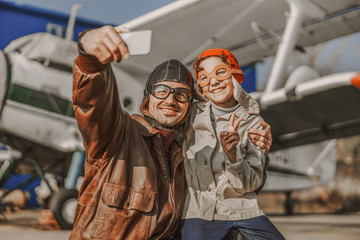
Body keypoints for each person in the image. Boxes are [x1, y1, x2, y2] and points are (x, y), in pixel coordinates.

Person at [69, 25, 272, 240]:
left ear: (189, 106)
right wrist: (89, 58)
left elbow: (235, 196)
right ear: (148, 99)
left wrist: (254, 153)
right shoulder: (118, 133)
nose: (170, 100)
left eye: (182, 94)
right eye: (161, 91)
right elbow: (91, 103)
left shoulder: (190, 159)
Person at [180, 49, 285, 240]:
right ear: (201, 88)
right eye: (204, 77)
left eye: (220, 72)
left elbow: (251, 183)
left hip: (244, 210)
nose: (213, 81)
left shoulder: (254, 123)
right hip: (199, 210)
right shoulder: (188, 116)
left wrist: (233, 156)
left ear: (235, 75)